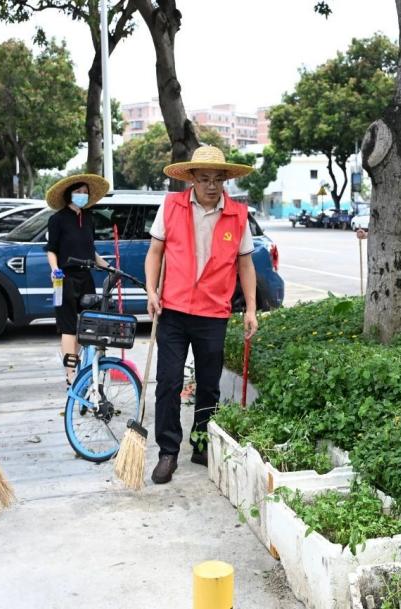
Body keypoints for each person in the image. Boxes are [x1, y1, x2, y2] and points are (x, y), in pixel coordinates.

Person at [145, 146, 259, 484]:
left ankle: (200, 444)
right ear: (192, 178)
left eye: (218, 179)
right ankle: (168, 452)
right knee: (168, 382)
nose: (212, 185)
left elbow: (245, 265)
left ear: (225, 180)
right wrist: (151, 291)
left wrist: (251, 309)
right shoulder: (171, 206)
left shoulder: (238, 215)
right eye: (205, 178)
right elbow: (155, 252)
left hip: (213, 314)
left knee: (209, 386)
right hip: (173, 310)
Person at [43, 174, 113, 385]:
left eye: (85, 192)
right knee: (69, 328)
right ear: (69, 194)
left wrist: (109, 268)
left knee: (87, 325)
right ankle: (71, 373)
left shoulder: (89, 218)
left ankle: (76, 361)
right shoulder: (57, 219)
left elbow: (91, 251)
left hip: (86, 277)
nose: (82, 195)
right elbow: (51, 250)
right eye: (78, 192)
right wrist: (55, 269)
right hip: (64, 278)